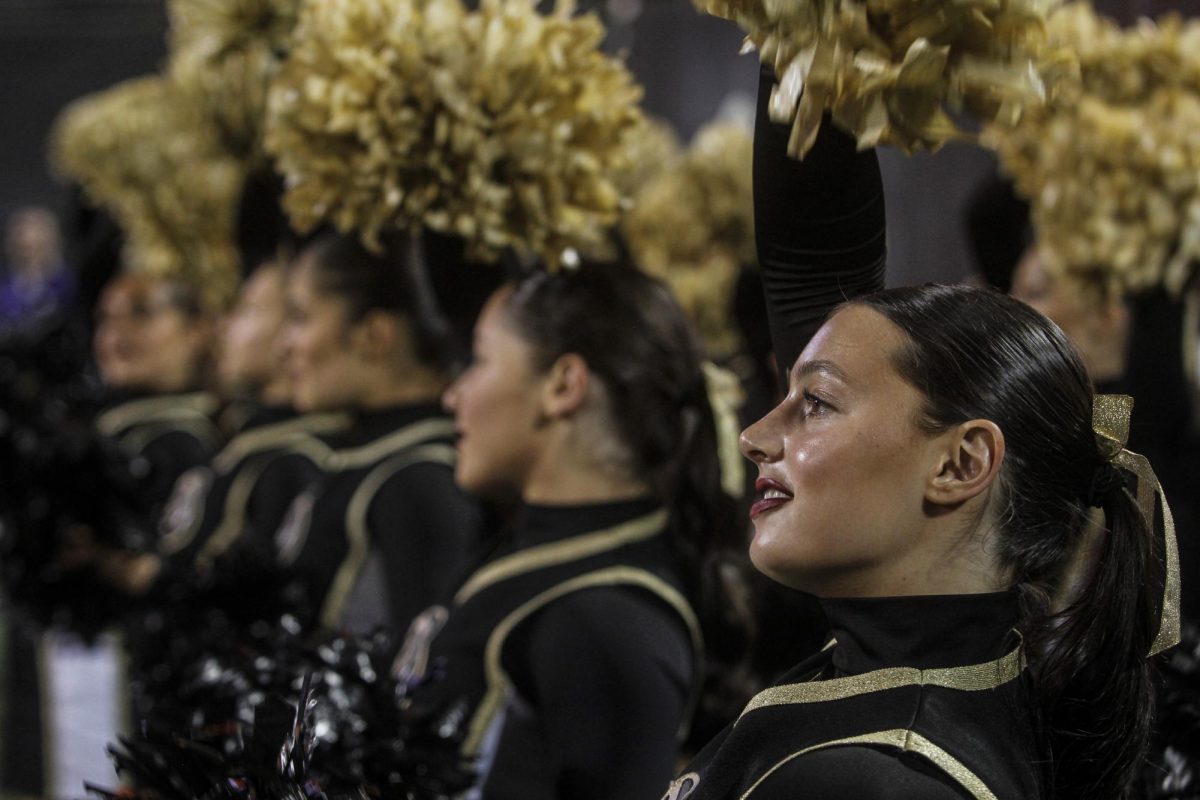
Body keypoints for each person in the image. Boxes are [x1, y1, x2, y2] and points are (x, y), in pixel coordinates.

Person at [663, 70, 1176, 800]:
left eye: (814, 404)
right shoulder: (934, 673)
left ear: (960, 464)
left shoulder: (881, 777)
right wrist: (813, 47)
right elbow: (811, 272)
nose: (753, 436)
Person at [394, 262, 745, 800]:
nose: (453, 394)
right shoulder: (537, 555)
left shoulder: (606, 619)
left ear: (563, 385)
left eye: (480, 361)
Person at [274, 231, 484, 637]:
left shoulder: (418, 478)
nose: (285, 346)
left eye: (301, 318)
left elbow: (415, 677)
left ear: (375, 336)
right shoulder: (369, 456)